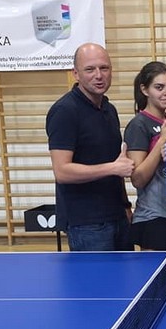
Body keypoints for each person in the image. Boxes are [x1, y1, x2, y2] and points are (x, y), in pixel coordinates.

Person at [45, 43, 135, 251]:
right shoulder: (65, 111)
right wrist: (112, 168)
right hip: (86, 224)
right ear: (76, 74)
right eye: (90, 69)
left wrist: (125, 206)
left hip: (117, 217)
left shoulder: (109, 109)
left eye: (104, 68)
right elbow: (62, 171)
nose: (99, 75)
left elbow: (117, 162)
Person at [123, 61, 166, 251]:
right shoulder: (138, 125)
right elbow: (138, 179)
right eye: (159, 87)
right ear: (144, 89)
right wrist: (162, 141)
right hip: (153, 217)